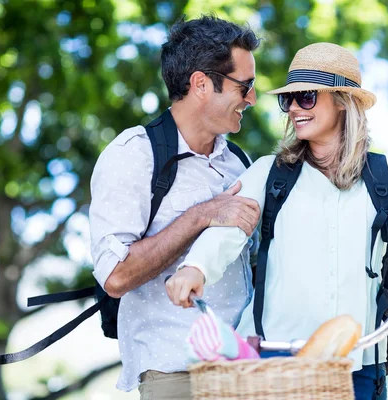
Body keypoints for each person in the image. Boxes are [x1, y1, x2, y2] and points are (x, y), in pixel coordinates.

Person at [165, 42, 388, 400]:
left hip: (358, 370)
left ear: (342, 100)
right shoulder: (269, 174)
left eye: (306, 97)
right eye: (288, 99)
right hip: (274, 366)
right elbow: (228, 231)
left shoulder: (387, 182)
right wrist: (195, 269)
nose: (293, 108)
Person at [89, 16, 261, 399]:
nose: (251, 98)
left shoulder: (239, 162)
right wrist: (202, 215)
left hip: (247, 370)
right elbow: (114, 277)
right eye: (244, 86)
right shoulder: (133, 154)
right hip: (176, 374)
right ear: (201, 84)